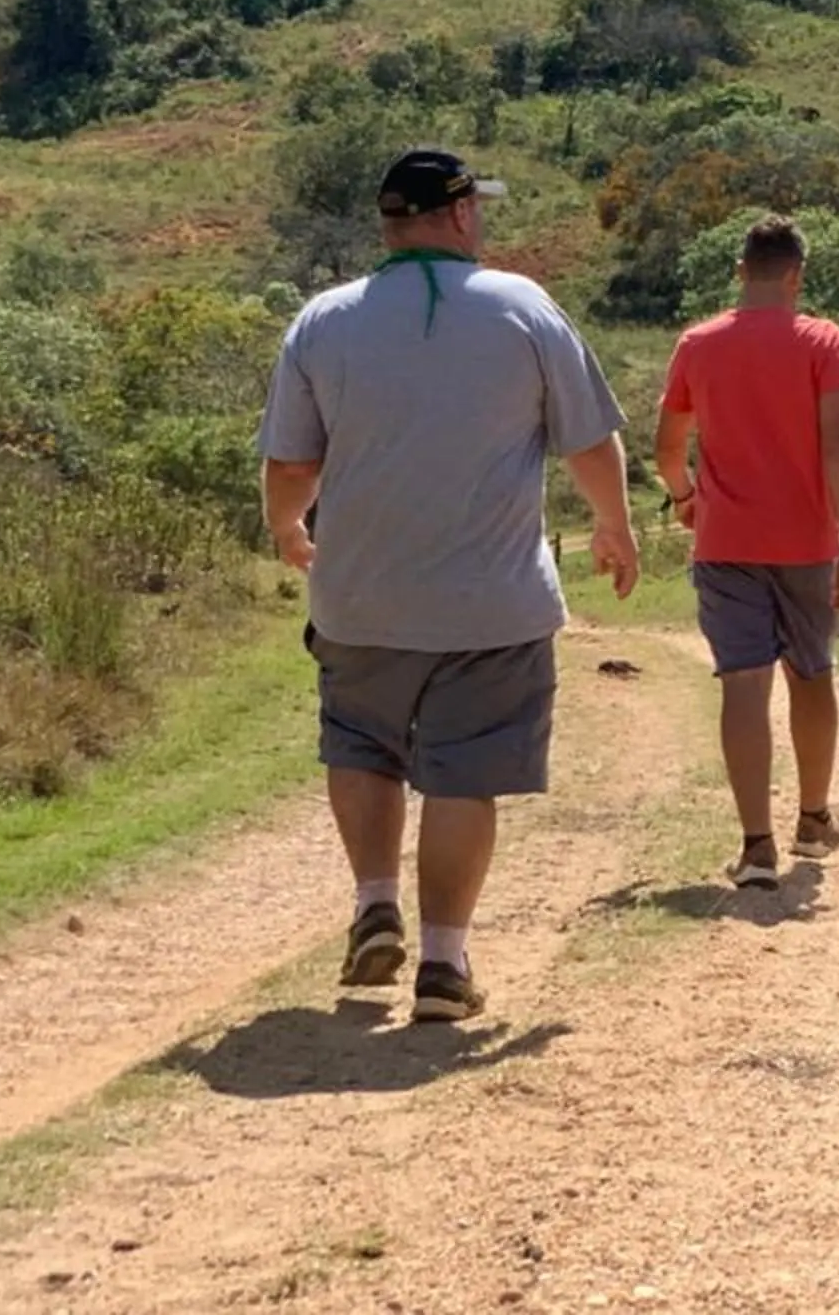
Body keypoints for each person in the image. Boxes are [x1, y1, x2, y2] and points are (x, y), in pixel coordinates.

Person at [259, 145, 640, 1025]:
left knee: (359, 744)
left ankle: (373, 902)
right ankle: (442, 963)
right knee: (464, 773)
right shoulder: (523, 308)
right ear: (463, 215)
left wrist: (288, 528)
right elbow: (587, 439)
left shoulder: (324, 319)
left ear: (390, 224)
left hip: (358, 596)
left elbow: (291, 463)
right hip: (491, 604)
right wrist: (612, 525)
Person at [652, 215, 839, 891]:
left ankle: (755, 847)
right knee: (812, 673)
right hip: (805, 540)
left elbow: (666, 445)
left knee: (743, 683)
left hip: (725, 542)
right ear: (796, 275)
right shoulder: (822, 340)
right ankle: (812, 817)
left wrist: (686, 496)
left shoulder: (698, 344)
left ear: (741, 271)